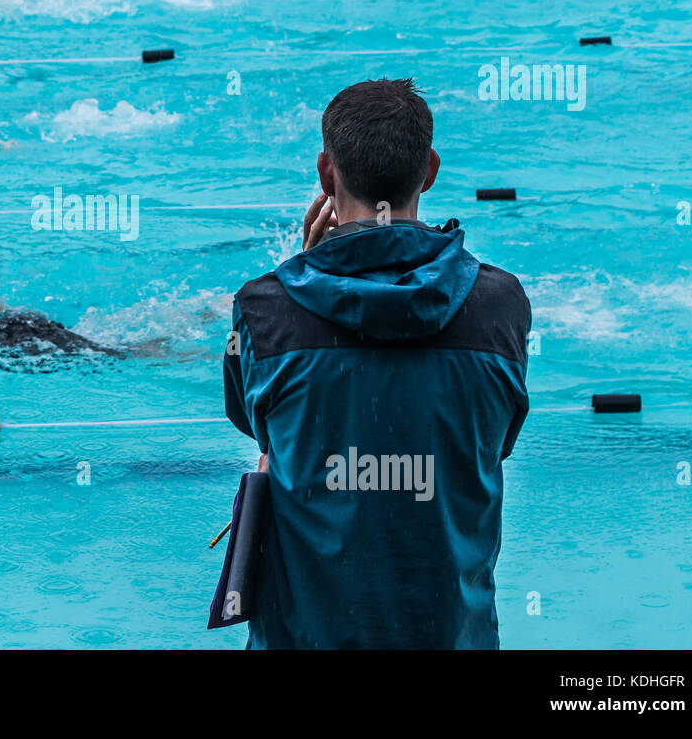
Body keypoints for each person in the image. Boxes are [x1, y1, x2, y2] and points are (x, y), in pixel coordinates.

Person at [223, 78, 531, 649]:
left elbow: (260, 428)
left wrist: (310, 269)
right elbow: (494, 442)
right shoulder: (500, 304)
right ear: (430, 170)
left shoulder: (265, 310)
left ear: (325, 173)